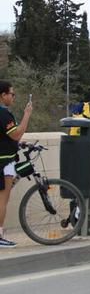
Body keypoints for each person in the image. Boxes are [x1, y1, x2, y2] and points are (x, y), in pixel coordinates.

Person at [0, 81, 31, 247]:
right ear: (3, 95)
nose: (13, 97)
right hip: (4, 162)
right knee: (2, 199)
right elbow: (16, 134)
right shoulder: (4, 114)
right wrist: (27, 114)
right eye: (12, 94)